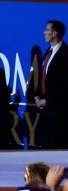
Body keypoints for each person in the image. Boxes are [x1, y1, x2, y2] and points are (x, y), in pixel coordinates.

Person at [34, 20, 68, 148]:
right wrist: (37, 96)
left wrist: (48, 101)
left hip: (59, 113)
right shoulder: (48, 52)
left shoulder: (66, 54)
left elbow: (65, 86)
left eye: (47, 30)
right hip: (45, 112)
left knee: (57, 148)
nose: (44, 33)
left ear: (55, 34)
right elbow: (43, 77)